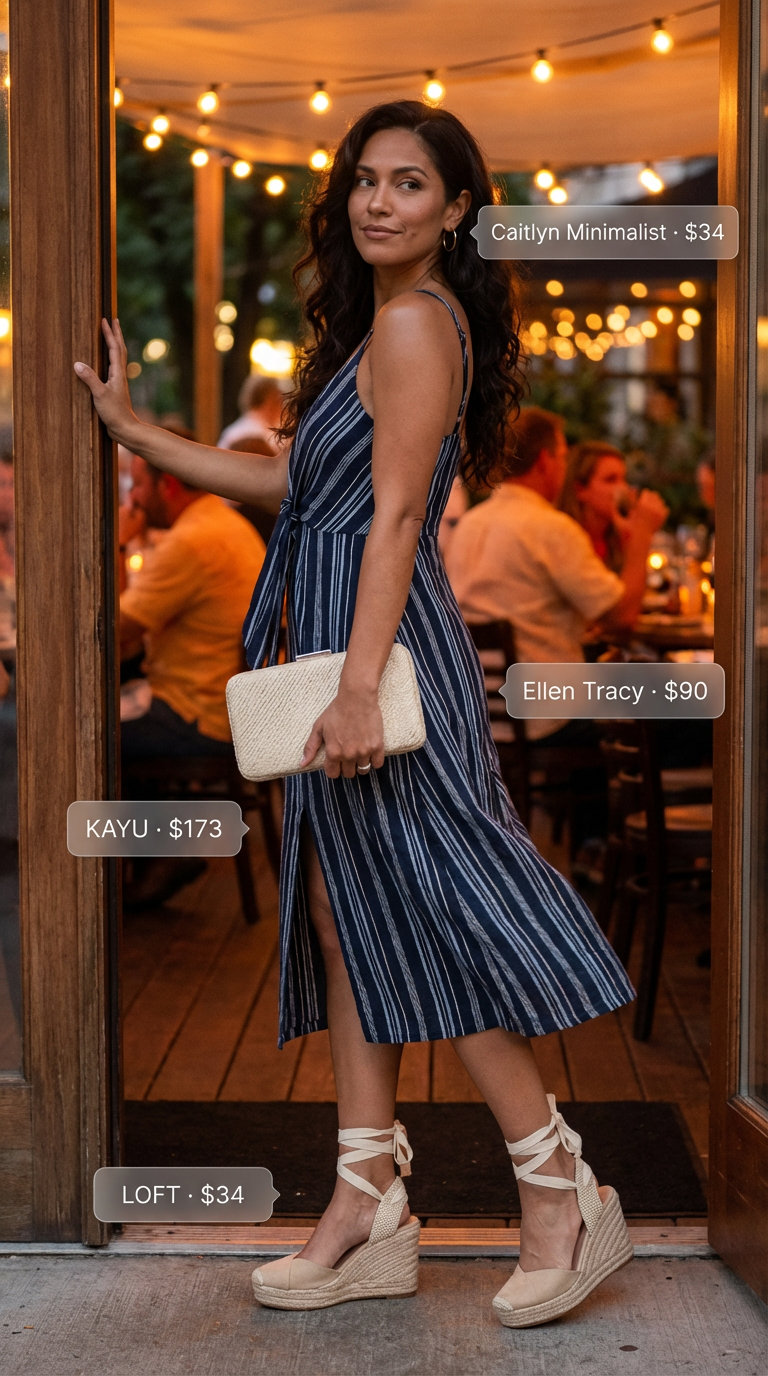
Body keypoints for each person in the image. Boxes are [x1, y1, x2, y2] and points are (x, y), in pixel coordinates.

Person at [76, 100, 637, 1330]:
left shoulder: (417, 323)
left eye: (410, 184)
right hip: (346, 636)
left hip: (378, 650)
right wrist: (137, 432)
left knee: (433, 900)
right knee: (343, 911)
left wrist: (350, 680)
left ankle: (561, 1187)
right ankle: (367, 1194)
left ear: (454, 211)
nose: (380, 201)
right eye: (366, 182)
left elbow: (391, 520)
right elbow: (300, 484)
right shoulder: (375, 327)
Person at [446, 408, 669, 745]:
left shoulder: (470, 524)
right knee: (699, 703)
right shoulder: (549, 528)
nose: (564, 469)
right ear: (545, 461)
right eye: (563, 457)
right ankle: (638, 797)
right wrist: (641, 538)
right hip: (551, 715)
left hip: (479, 715)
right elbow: (623, 619)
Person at [559, 440, 636, 573]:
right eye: (611, 480)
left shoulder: (616, 538)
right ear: (580, 490)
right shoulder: (565, 540)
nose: (623, 488)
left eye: (624, 479)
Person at [217, 374, 284, 451]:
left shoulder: (233, 430)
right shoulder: (254, 434)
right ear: (269, 400)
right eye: (278, 399)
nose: (282, 406)